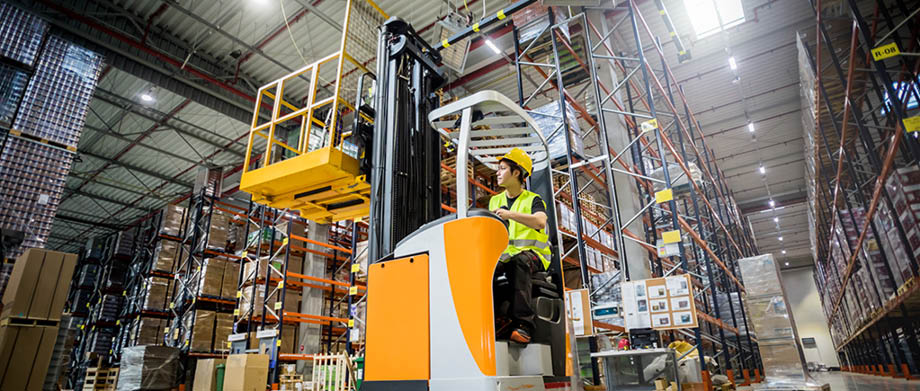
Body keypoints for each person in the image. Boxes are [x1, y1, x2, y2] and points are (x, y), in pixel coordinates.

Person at [489, 147, 551, 344]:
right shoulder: (495, 201)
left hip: (534, 256)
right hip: (506, 256)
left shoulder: (533, 200)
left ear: (516, 172)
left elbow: (540, 222)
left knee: (519, 262)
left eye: (502, 168)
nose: (497, 173)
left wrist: (509, 215)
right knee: (483, 270)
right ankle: (493, 320)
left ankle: (523, 326)